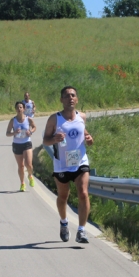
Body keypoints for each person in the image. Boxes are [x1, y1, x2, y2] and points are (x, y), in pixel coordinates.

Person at [42, 86, 94, 243]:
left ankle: (81, 231)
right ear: (61, 100)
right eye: (67, 96)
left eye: (73, 95)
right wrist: (54, 139)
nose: (70, 98)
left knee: (83, 193)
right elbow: (45, 141)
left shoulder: (82, 117)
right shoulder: (54, 119)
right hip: (62, 164)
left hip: (80, 162)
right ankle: (64, 222)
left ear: (77, 99)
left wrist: (89, 139)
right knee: (63, 196)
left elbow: (84, 133)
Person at [6, 102, 37, 191]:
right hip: (17, 144)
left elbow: (34, 127)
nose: (19, 109)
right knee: (21, 166)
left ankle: (30, 175)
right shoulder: (13, 120)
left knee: (29, 164)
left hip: (27, 143)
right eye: (17, 108)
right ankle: (22, 183)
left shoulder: (28, 119)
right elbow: (7, 133)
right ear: (15, 109)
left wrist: (30, 132)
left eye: (20, 107)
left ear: (23, 109)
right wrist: (14, 133)